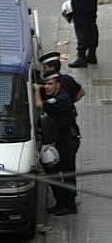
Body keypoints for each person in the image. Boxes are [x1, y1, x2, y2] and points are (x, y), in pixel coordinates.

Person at [33, 71, 81, 216]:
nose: (47, 87)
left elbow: (38, 104)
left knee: (67, 173)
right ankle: (61, 203)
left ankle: (70, 206)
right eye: (45, 84)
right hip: (61, 140)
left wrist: (36, 89)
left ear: (58, 85)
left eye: (50, 84)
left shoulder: (61, 99)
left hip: (67, 140)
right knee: (53, 172)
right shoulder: (57, 96)